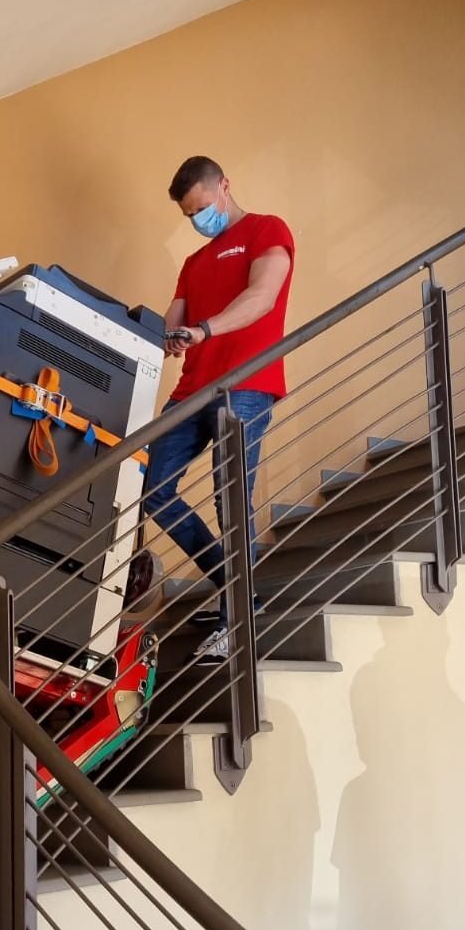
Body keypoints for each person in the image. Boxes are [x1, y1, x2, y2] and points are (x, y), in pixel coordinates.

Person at [142, 156, 294, 663]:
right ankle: (237, 588)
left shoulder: (266, 230)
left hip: (245, 384)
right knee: (155, 491)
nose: (197, 220)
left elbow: (263, 296)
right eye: (189, 215)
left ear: (225, 186)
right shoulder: (193, 263)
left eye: (202, 208)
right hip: (192, 390)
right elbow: (172, 320)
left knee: (230, 498)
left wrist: (204, 330)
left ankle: (238, 623)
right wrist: (159, 336)